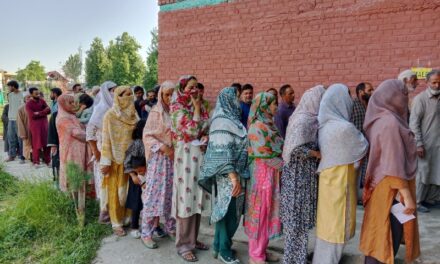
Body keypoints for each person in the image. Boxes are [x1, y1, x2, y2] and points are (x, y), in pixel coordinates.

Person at [360, 79, 420, 264]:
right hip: (392, 190)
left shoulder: (380, 118)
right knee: (387, 236)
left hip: (381, 184)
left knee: (379, 233)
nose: (406, 100)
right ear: (393, 97)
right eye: (404, 95)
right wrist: (407, 196)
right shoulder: (390, 123)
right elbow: (392, 162)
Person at [312, 84, 368, 264]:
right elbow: (363, 146)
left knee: (327, 229)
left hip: (328, 183)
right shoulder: (344, 128)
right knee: (337, 229)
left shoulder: (323, 125)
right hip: (341, 185)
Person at [199, 87, 249, 264]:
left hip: (236, 173)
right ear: (227, 99)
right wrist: (233, 177)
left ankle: (218, 245)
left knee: (227, 211)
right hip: (229, 175)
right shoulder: (221, 121)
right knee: (229, 212)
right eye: (235, 97)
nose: (237, 100)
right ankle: (224, 251)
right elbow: (222, 151)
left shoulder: (231, 119)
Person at [280, 85, 325, 264]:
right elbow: (294, 149)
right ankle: (292, 258)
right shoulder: (302, 120)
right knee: (295, 219)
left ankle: (297, 257)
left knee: (301, 220)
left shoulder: (311, 118)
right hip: (297, 176)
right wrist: (315, 154)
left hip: (304, 176)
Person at [170, 75, 210, 262]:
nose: (194, 91)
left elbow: (205, 127)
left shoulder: (201, 106)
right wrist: (195, 108)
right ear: (182, 88)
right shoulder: (177, 108)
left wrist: (206, 138)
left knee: (196, 198)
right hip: (185, 158)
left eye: (196, 87)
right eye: (190, 87)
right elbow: (192, 130)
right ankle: (183, 244)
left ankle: (193, 240)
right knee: (186, 199)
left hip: (198, 157)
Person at [245, 92, 283, 264]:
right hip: (262, 175)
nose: (276, 107)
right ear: (264, 106)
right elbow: (266, 155)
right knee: (260, 213)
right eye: (274, 104)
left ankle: (262, 250)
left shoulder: (270, 124)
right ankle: (255, 255)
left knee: (267, 212)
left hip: (271, 175)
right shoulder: (257, 126)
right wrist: (286, 165)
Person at [141, 81, 176, 249]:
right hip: (159, 160)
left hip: (175, 160)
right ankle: (146, 232)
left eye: (172, 94)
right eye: (166, 94)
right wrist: (162, 147)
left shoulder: (178, 111)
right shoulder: (156, 112)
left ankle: (170, 226)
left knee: (171, 195)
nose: (170, 98)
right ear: (161, 95)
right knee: (153, 195)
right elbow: (147, 135)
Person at [100, 86, 138, 236]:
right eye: (125, 95)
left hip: (132, 160)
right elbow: (106, 139)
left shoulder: (134, 116)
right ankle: (116, 222)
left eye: (131, 95)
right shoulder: (110, 115)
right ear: (117, 97)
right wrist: (105, 161)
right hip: (116, 160)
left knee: (130, 192)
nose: (129, 98)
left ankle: (128, 218)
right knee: (116, 193)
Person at [409, 69, 440, 213]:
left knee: (436, 171)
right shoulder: (420, 99)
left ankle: (431, 199)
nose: (437, 85)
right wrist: (418, 144)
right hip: (425, 144)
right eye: (434, 82)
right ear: (427, 83)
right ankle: (418, 201)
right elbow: (414, 123)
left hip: (438, 143)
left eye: (439, 82)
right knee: (423, 172)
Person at [86, 81, 117, 223]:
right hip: (102, 151)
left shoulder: (116, 108)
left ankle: (115, 213)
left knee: (114, 182)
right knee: (104, 182)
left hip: (115, 151)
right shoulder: (101, 108)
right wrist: (95, 152)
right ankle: (104, 215)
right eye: (112, 91)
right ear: (106, 92)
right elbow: (90, 132)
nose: (115, 93)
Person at [56, 94, 92, 192]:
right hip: (71, 152)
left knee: (80, 174)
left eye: (73, 102)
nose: (73, 105)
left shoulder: (71, 115)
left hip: (78, 150)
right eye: (70, 103)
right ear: (63, 104)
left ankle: (82, 200)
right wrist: (93, 137)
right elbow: (77, 133)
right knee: (74, 176)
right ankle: (74, 201)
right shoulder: (63, 118)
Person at [123, 119, 147, 239]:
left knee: (148, 201)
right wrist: (133, 175)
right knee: (136, 201)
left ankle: (150, 226)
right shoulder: (137, 143)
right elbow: (127, 162)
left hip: (147, 175)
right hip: (136, 177)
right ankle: (134, 226)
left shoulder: (148, 141)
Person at [351, 82, 374, 198]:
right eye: (369, 90)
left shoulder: (370, 105)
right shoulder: (353, 105)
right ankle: (357, 196)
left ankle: (363, 195)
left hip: (368, 144)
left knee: (365, 172)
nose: (372, 92)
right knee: (356, 173)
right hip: (356, 146)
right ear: (361, 92)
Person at [26, 87, 51, 167]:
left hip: (44, 125)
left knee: (47, 144)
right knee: (36, 144)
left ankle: (48, 161)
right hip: (35, 127)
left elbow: (49, 110)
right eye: (36, 93)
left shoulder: (42, 101)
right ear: (31, 94)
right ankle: (36, 162)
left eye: (38, 93)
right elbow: (32, 115)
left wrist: (38, 113)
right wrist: (43, 112)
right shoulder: (28, 104)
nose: (38, 94)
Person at [5, 80, 24, 162]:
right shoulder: (10, 95)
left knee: (20, 138)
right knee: (11, 138)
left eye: (9, 86)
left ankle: (21, 156)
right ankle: (11, 156)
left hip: (18, 119)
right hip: (11, 120)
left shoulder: (22, 94)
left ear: (13, 86)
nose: (8, 88)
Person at [48, 88, 63, 187]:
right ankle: (57, 185)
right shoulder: (55, 115)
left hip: (67, 146)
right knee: (57, 164)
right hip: (58, 143)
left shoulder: (73, 115)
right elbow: (52, 131)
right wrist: (53, 145)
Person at [17, 95, 32, 162]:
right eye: (27, 98)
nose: (29, 99)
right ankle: (24, 157)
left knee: (37, 144)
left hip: (35, 129)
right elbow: (20, 122)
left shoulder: (36, 107)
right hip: (26, 130)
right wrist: (22, 133)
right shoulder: (21, 109)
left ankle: (39, 157)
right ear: (24, 100)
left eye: (30, 98)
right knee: (26, 144)